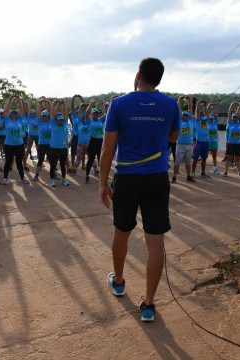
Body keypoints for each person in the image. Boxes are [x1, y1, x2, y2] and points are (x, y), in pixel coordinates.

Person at [99, 57, 180, 322]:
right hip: (157, 177)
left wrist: (102, 183)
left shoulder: (119, 104)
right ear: (159, 79)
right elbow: (173, 137)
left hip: (128, 178)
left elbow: (107, 148)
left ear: (138, 75)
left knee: (122, 232)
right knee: (155, 240)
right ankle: (148, 304)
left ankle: (119, 282)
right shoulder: (171, 104)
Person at [0, 95, 29, 185]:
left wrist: (19, 99)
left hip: (19, 145)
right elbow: (7, 109)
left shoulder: (20, 119)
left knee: (19, 162)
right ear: (10, 114)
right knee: (8, 162)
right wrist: (11, 99)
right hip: (9, 145)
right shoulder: (7, 119)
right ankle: (5, 178)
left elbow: (21, 109)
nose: (14, 114)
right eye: (13, 113)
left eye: (16, 113)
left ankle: (22, 178)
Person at [48, 99, 70, 187]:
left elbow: (65, 113)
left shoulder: (65, 124)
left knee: (62, 164)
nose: (60, 120)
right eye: (59, 119)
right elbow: (52, 113)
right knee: (53, 164)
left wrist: (64, 103)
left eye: (61, 119)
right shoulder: (53, 123)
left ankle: (64, 179)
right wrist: (54, 103)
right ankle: (51, 180)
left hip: (63, 147)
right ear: (56, 120)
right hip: (53, 147)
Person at [85, 101, 106, 184]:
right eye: (94, 113)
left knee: (101, 160)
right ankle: (87, 176)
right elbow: (86, 114)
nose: (96, 115)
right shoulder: (89, 121)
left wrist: (104, 105)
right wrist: (90, 104)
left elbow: (107, 113)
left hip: (101, 142)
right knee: (91, 159)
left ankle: (102, 177)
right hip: (93, 141)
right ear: (92, 114)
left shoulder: (100, 120)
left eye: (97, 113)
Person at [190, 100, 210, 178]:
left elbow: (207, 113)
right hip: (198, 143)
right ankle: (192, 172)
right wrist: (198, 104)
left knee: (204, 158)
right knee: (195, 159)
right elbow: (197, 113)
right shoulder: (197, 123)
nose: (204, 121)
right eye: (203, 120)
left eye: (205, 120)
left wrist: (205, 104)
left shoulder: (207, 122)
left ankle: (203, 172)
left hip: (206, 143)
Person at [223, 109, 240, 178]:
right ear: (232, 118)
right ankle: (226, 172)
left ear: (238, 118)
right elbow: (229, 114)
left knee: (238, 158)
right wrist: (232, 105)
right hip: (230, 143)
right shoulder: (229, 123)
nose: (235, 118)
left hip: (238, 144)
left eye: (236, 117)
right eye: (234, 117)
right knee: (229, 158)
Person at [206, 102, 220, 174]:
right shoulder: (207, 123)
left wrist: (216, 106)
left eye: (212, 118)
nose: (211, 119)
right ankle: (204, 170)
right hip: (207, 142)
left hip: (214, 142)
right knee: (204, 156)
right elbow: (207, 113)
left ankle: (215, 169)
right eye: (210, 118)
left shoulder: (215, 123)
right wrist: (208, 105)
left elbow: (217, 114)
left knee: (214, 156)